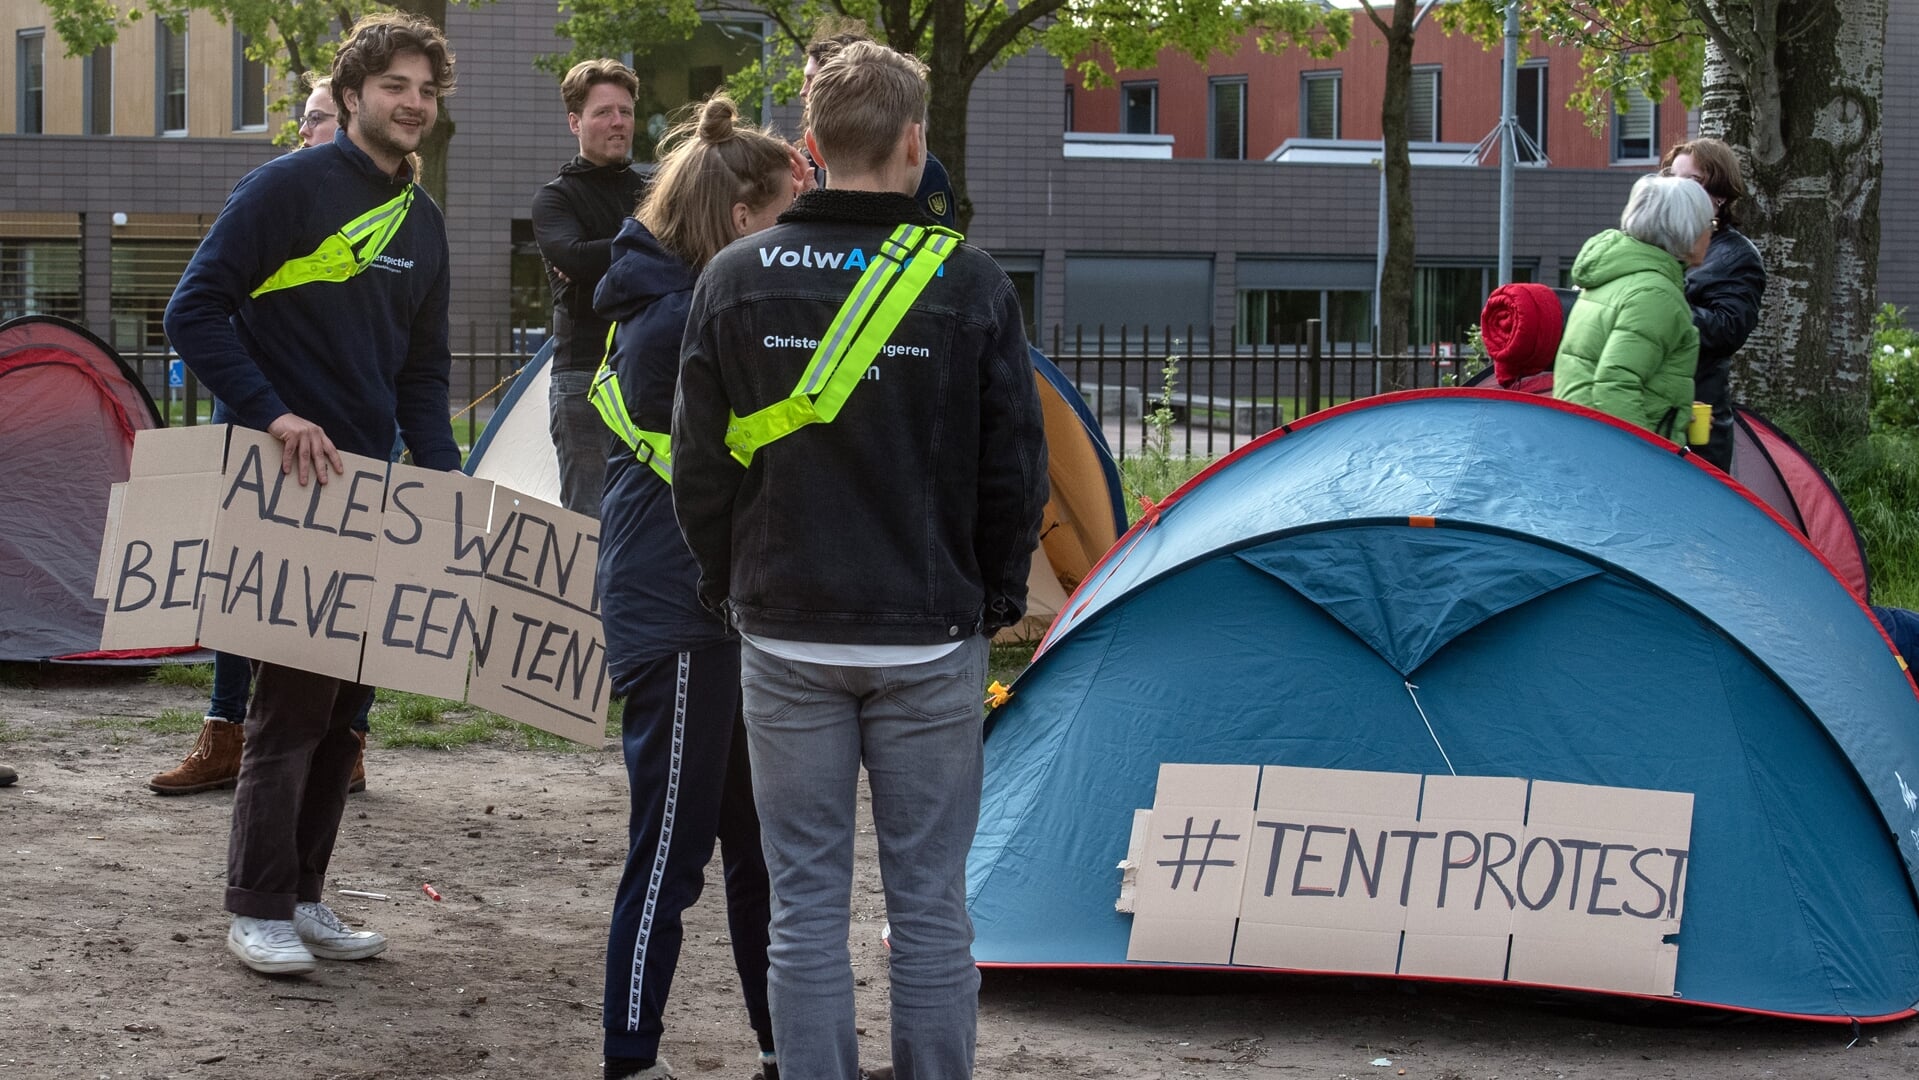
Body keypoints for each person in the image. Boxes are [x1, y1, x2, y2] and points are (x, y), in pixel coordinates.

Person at [672, 41, 1048, 1080]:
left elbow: (699, 469)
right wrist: (993, 591)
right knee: (929, 903)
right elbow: (1014, 468)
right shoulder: (966, 282)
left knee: (803, 900)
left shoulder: (732, 277)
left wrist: (727, 581)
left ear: (807, 151)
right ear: (915, 142)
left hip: (784, 624)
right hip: (929, 634)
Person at [162, 11, 460, 976]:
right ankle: (255, 905)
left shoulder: (423, 221)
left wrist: (442, 475)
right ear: (352, 95)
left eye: (425, 90)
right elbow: (192, 312)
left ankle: (304, 893)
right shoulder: (285, 186)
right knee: (289, 705)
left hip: (374, 497)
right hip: (287, 489)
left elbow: (422, 369)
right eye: (395, 88)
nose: (412, 104)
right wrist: (273, 413)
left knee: (348, 712)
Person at [589, 93, 805, 1080]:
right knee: (670, 856)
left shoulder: (676, 302)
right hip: (679, 613)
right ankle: (629, 1059)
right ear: (736, 221)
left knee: (755, 853)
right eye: (782, 221)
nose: (792, 244)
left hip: (709, 609)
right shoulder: (678, 319)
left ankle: (776, 1045)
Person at [149, 74, 370, 800]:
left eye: (330, 121)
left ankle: (346, 739)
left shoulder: (394, 220)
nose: (318, 133)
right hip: (257, 424)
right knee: (239, 586)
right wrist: (265, 410)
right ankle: (225, 731)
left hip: (346, 435)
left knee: (346, 595)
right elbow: (201, 307)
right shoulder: (271, 195)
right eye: (309, 120)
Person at [532, 59, 649, 517]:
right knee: (590, 527)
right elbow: (575, 259)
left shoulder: (656, 190)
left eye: (626, 111)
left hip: (652, 372)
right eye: (603, 112)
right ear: (575, 121)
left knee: (650, 525)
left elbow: (690, 255)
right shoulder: (555, 198)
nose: (618, 122)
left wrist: (603, 255)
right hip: (584, 378)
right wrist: (653, 244)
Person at [1554, 174, 1715, 444]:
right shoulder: (1656, 294)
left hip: (1580, 437)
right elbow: (1615, 387)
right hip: (1612, 455)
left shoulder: (1616, 275)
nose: (1711, 233)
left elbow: (1604, 374)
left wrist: (1677, 411)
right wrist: (1647, 464)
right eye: (1709, 224)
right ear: (1686, 229)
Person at [1662, 137, 1768, 472]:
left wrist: (1659, 311)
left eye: (1691, 181)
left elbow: (1728, 329)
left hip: (1698, 418)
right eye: (1672, 179)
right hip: (1652, 406)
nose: (1677, 190)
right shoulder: (1658, 241)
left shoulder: (1737, 255)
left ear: (1719, 195)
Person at [800, 24, 957, 229]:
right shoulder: (806, 163)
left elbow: (937, 235)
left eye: (813, 80)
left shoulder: (927, 169)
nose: (804, 91)